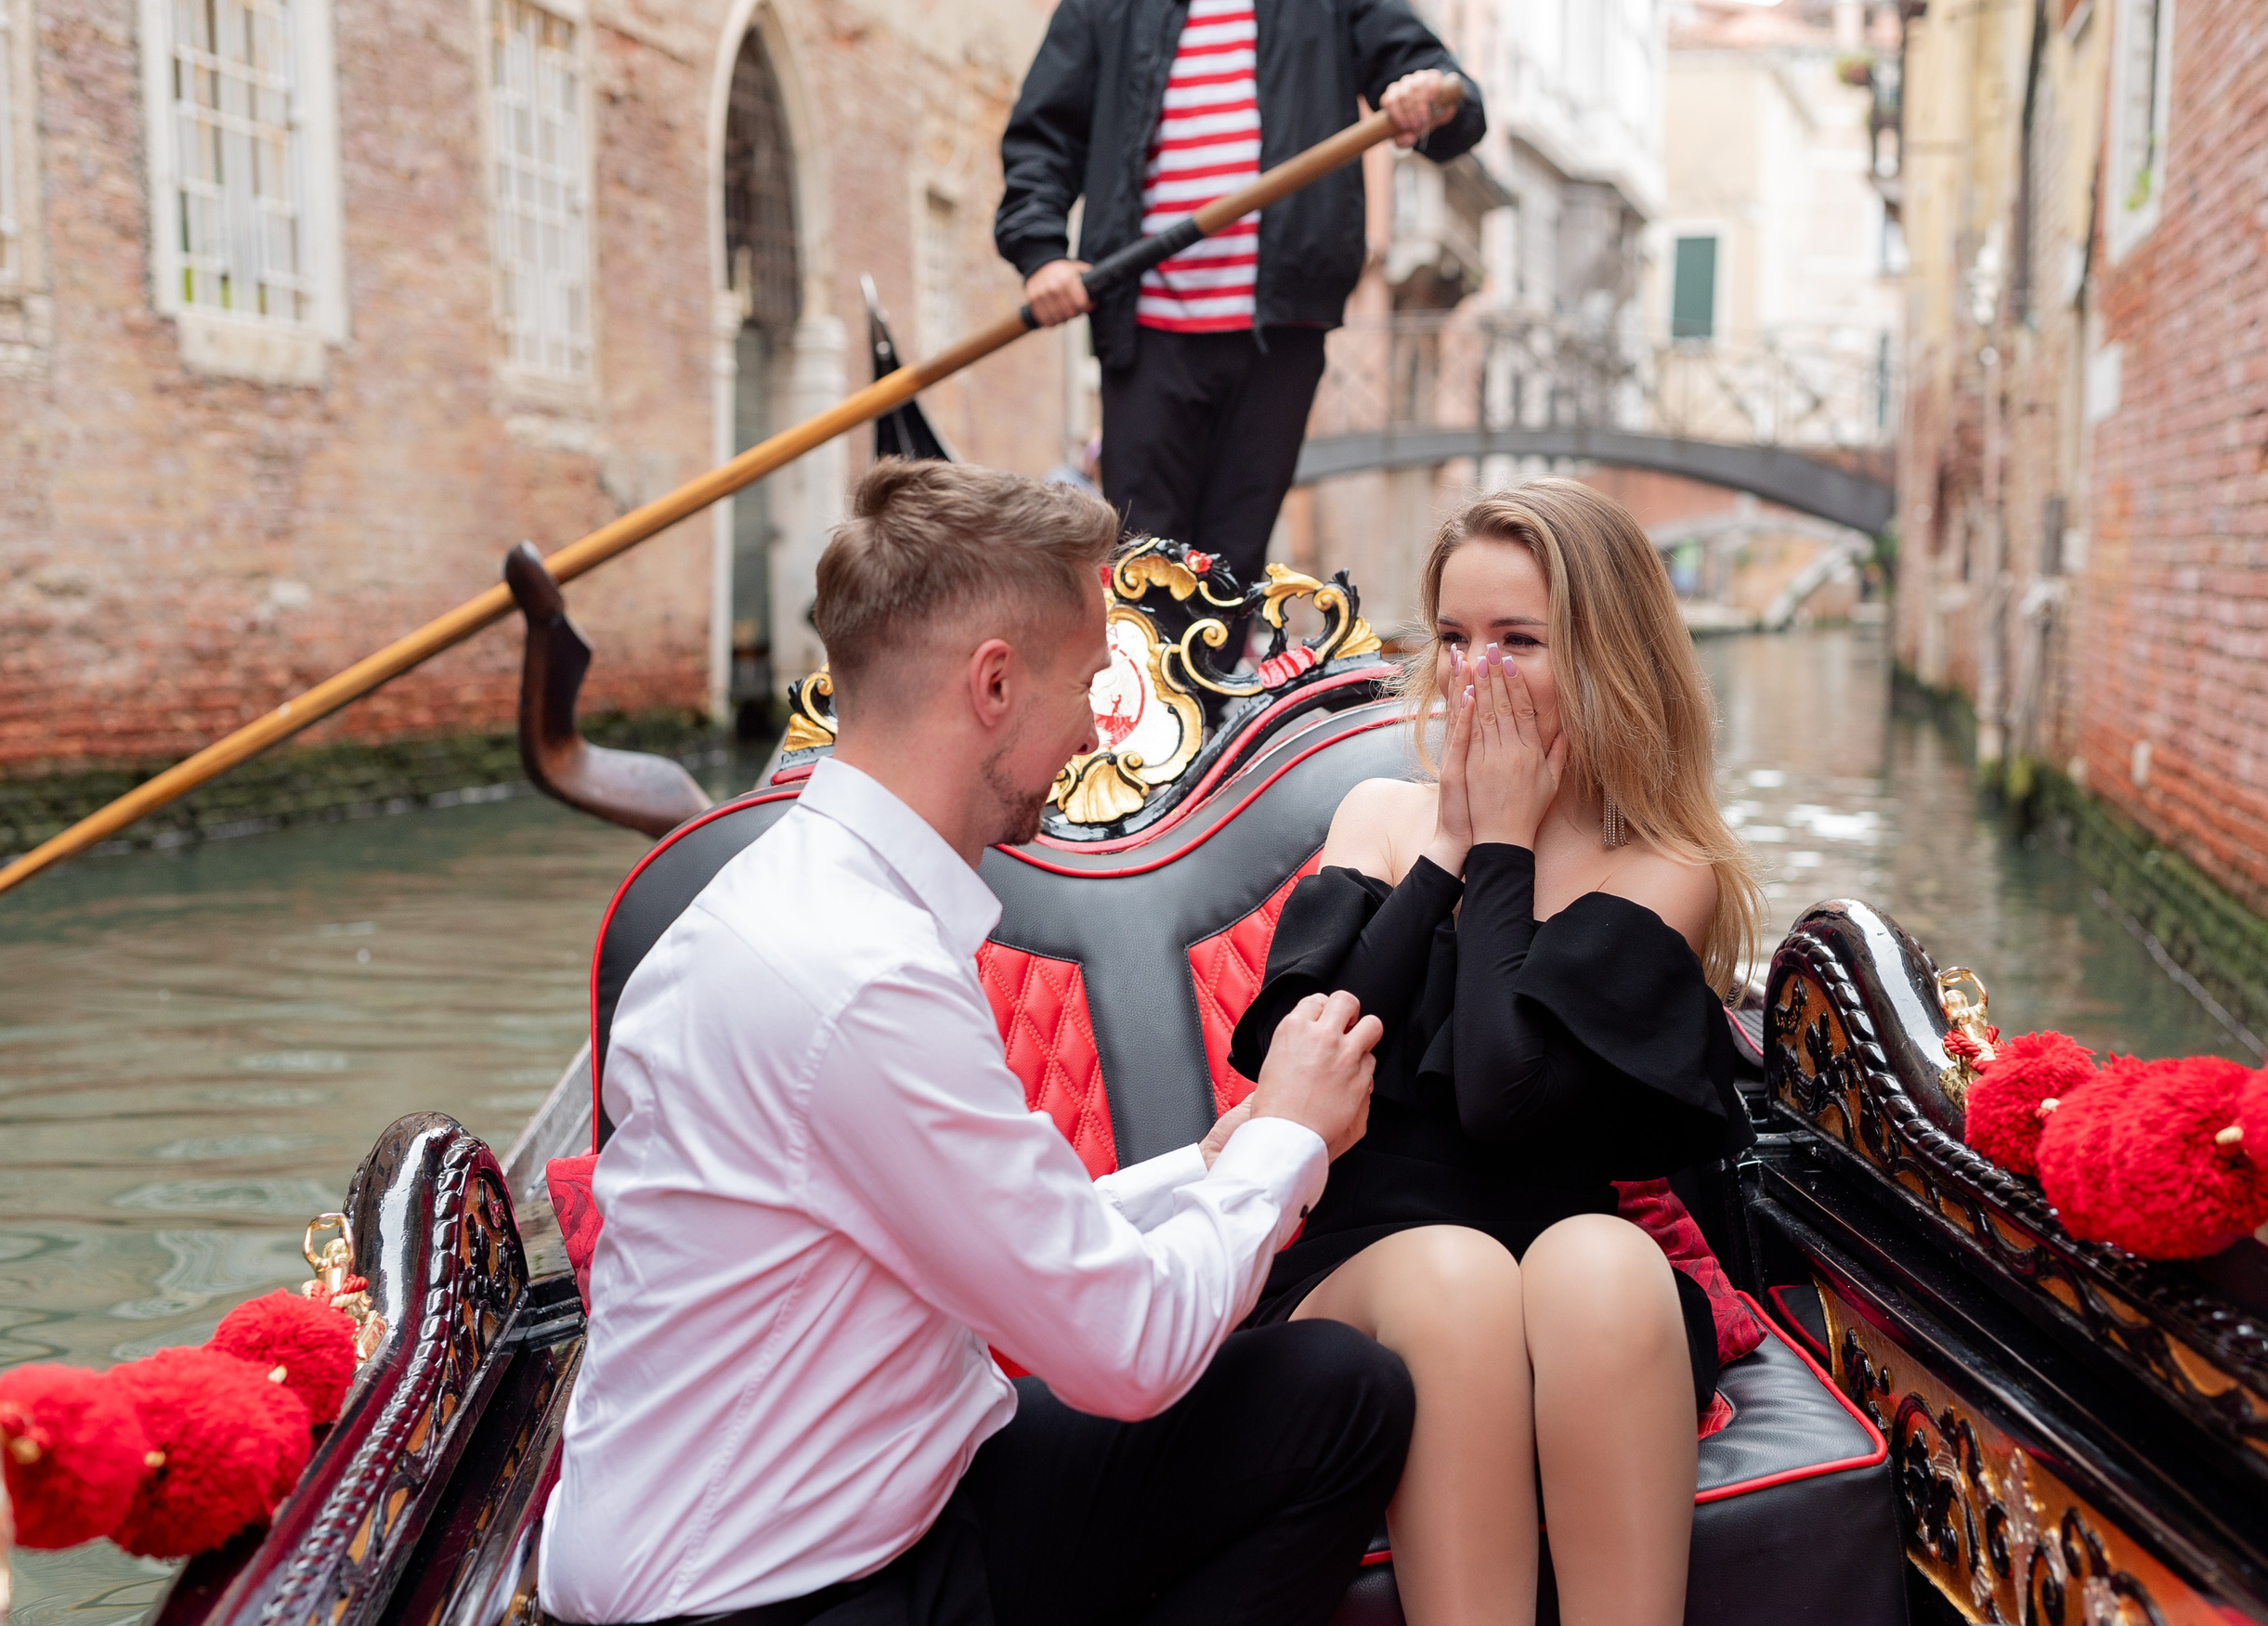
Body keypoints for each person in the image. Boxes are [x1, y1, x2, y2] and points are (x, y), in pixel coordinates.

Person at [541, 458, 1413, 1626]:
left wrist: (1208, 1162)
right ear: (994, 685)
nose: (1098, 724)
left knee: (1334, 1391)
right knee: (1339, 1406)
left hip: (867, 1500)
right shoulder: (853, 979)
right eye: (1091, 680)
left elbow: (983, 1226)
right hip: (769, 1596)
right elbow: (1130, 1349)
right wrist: (1292, 1140)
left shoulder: (806, 904)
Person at [1227, 479, 1761, 1626]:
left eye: (1518, 641)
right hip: (1362, 1266)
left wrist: (1506, 852)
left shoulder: (1664, 872)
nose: (1476, 674)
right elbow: (1306, 1063)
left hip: (1569, 1277)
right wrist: (1454, 851)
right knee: (1455, 1273)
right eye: (1457, 638)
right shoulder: (1378, 811)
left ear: (1605, 657)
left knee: (1604, 1258)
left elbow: (1504, 1097)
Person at [996, 0, 1486, 592]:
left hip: (1280, 330)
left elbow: (1450, 101)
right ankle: (1150, 683)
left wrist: (1427, 96)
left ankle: (1214, 682)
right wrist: (1042, 253)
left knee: (1233, 567)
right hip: (1145, 327)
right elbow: (1043, 132)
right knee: (1145, 569)